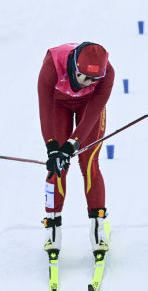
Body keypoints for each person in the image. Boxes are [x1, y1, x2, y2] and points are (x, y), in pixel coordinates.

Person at [37, 42, 115, 257]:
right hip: (57, 104)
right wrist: (52, 147)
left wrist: (73, 143)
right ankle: (52, 226)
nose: (88, 83)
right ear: (74, 68)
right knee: (58, 167)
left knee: (89, 163)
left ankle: (98, 227)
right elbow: (44, 107)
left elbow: (95, 111)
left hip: (88, 107)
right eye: (84, 78)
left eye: (94, 80)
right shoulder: (52, 65)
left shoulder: (107, 74)